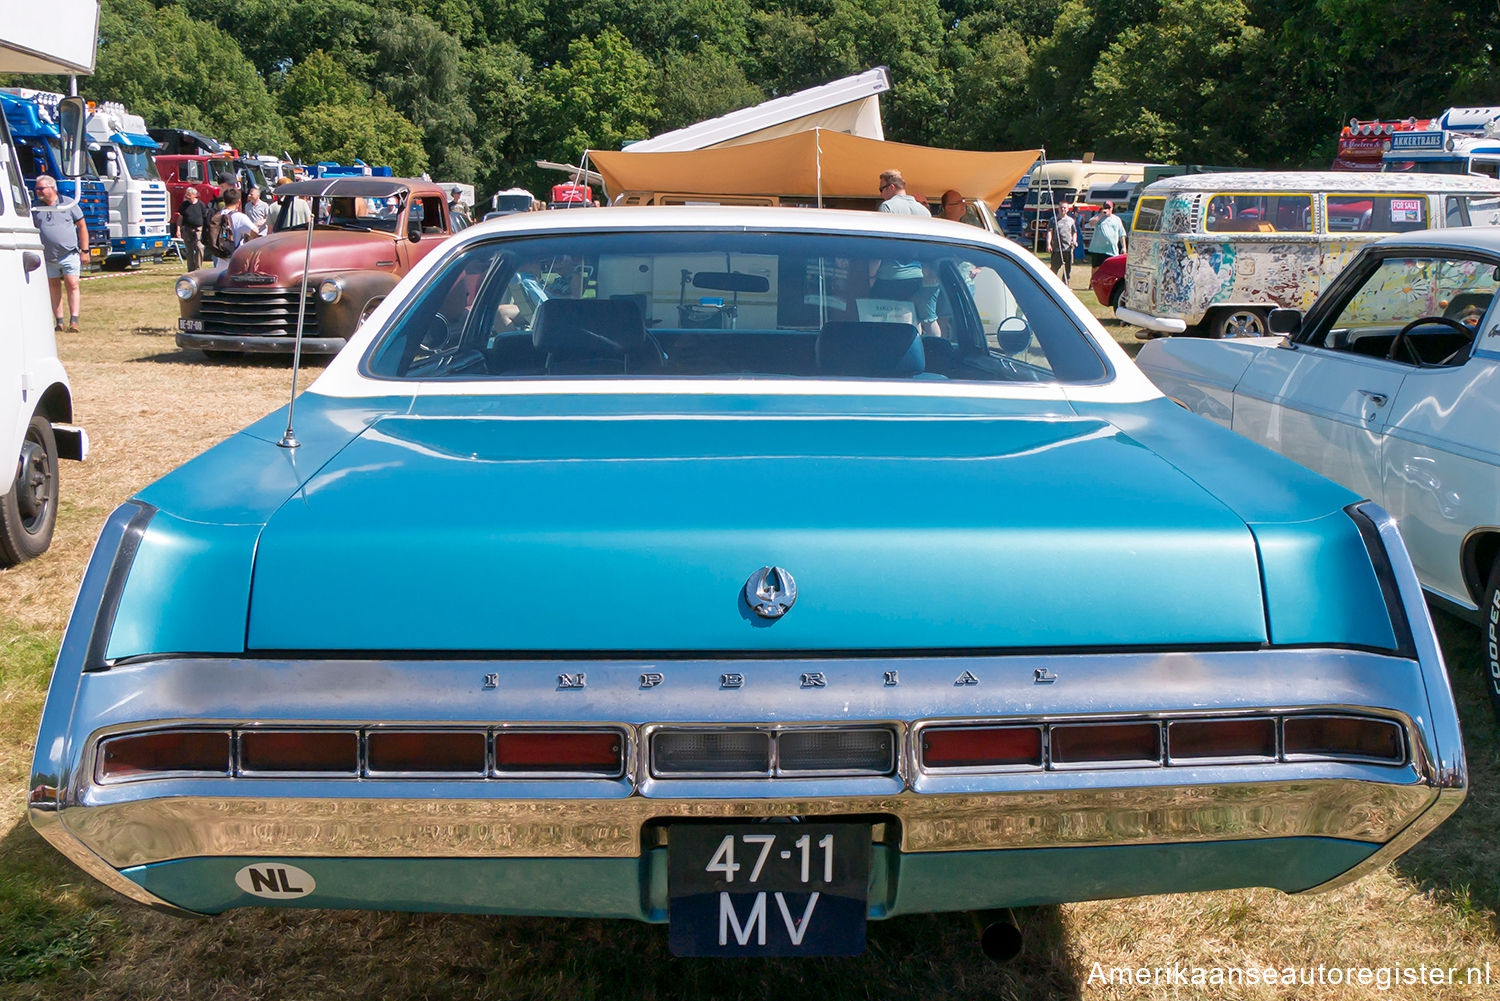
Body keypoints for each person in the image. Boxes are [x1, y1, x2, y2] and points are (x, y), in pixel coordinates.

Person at [31, 175, 88, 332]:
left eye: (40, 188)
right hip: (48, 256)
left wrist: (85, 250)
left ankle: (74, 321)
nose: (37, 191)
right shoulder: (35, 207)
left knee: (72, 284)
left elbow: (82, 227)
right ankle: (59, 322)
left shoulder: (69, 203)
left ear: (52, 188)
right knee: (53, 286)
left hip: (69, 254)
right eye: (37, 188)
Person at [209, 188, 258, 265]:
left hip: (220, 257)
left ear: (224, 201)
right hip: (234, 259)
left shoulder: (217, 215)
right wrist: (249, 244)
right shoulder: (240, 216)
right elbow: (255, 231)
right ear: (238, 201)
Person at [176, 185, 210, 271]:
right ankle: (190, 270)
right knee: (189, 250)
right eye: (186, 195)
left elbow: (205, 217)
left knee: (199, 247)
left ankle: (198, 268)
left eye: (189, 195)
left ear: (194, 195)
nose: (187, 197)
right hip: (187, 229)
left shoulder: (201, 204)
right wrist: (178, 230)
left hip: (198, 229)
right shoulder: (184, 205)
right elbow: (180, 218)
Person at [1046, 202, 1079, 285]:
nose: (1063, 209)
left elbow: (1074, 232)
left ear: (1068, 209)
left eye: (1064, 208)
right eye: (1061, 207)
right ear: (1058, 208)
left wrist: (1074, 241)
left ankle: (1065, 284)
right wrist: (1048, 244)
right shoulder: (1053, 220)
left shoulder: (1071, 220)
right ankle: (1051, 284)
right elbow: (1050, 232)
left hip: (1068, 248)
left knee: (1067, 269)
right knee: (1054, 268)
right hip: (1057, 248)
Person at [1087, 200, 1127, 267]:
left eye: (1108, 207)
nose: (1106, 209)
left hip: (1111, 250)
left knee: (1110, 269)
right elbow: (1091, 223)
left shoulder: (1117, 219)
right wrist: (1101, 215)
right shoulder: (1098, 217)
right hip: (1097, 250)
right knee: (1096, 270)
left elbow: (1122, 234)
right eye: (1105, 207)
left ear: (1112, 208)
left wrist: (1124, 247)